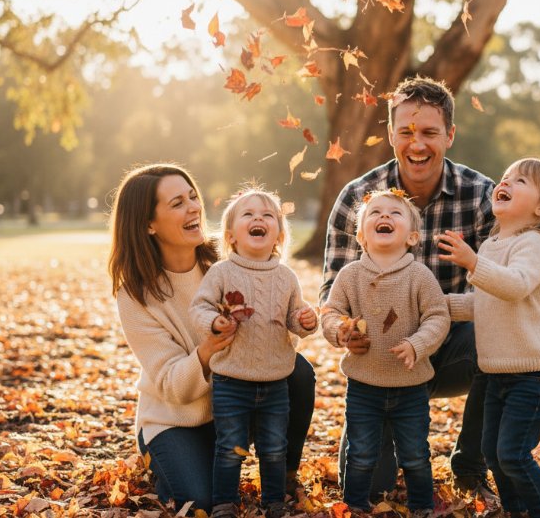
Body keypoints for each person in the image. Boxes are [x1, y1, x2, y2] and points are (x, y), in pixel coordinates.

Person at [320, 76, 540, 500]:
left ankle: (471, 461)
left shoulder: (483, 196)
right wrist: (341, 328)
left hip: (454, 346)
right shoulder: (358, 199)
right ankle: (383, 436)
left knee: (491, 332)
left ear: (450, 135)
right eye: (407, 132)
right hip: (380, 361)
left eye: (431, 132)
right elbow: (331, 295)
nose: (418, 144)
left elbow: (524, 267)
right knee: (369, 485)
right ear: (391, 134)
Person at [109, 165, 316, 512]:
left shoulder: (227, 262)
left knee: (297, 372)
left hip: (238, 400)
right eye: (177, 203)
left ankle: (283, 473)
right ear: (149, 224)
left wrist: (297, 320)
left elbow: (275, 335)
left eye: (193, 196)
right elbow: (172, 385)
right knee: (201, 503)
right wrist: (208, 350)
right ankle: (165, 460)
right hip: (177, 419)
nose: (194, 207)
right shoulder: (135, 295)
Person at [437, 158, 540, 518]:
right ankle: (516, 511)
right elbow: (484, 302)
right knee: (493, 453)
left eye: (520, 181)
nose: (505, 183)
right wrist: (439, 305)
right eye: (504, 178)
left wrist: (472, 264)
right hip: (496, 373)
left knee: (513, 455)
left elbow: (515, 286)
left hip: (533, 375)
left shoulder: (532, 244)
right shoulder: (490, 246)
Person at [191, 187, 318, 518]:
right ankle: (224, 503)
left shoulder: (286, 277)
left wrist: (306, 321)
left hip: (276, 380)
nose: (259, 218)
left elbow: (295, 319)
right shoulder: (221, 272)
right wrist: (215, 322)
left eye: (268, 216)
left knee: (274, 448)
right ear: (231, 236)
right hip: (231, 378)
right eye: (248, 214)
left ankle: (273, 501)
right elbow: (199, 308)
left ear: (278, 234)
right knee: (230, 447)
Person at [321, 188, 450, 515]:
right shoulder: (350, 276)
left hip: (410, 387)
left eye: (395, 214)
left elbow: (437, 315)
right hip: (364, 386)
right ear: (362, 236)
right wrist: (340, 330)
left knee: (416, 455)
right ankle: (355, 505)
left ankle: (421, 506)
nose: (384, 217)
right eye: (375, 213)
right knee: (361, 453)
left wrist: (417, 344)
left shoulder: (419, 276)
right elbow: (331, 311)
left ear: (412, 237)